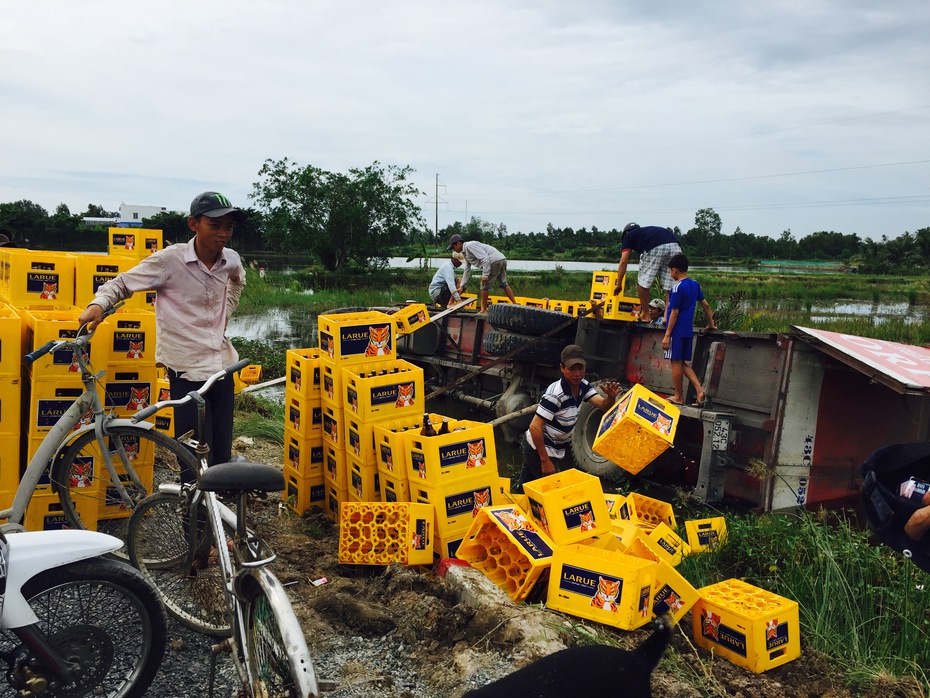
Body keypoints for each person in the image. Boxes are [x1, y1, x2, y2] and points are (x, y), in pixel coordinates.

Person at [78, 191, 247, 476]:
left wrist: (226, 312)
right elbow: (123, 283)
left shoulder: (230, 259)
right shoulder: (169, 261)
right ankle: (193, 515)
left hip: (221, 365)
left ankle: (218, 509)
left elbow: (237, 281)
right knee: (192, 451)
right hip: (186, 370)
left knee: (221, 447)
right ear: (194, 224)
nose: (223, 234)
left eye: (228, 227)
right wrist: (98, 304)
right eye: (215, 225)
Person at [515, 345, 619, 491]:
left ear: (585, 367)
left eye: (580, 368)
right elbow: (534, 426)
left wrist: (610, 397)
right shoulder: (555, 395)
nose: (577, 374)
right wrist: (544, 460)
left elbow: (603, 405)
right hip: (538, 448)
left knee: (524, 489)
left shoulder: (583, 385)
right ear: (562, 368)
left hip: (554, 448)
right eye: (572, 369)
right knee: (554, 491)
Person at [661, 253, 715, 407]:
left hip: (676, 331)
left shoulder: (677, 287)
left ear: (675, 270)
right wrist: (711, 323)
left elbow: (674, 312)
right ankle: (699, 390)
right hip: (687, 330)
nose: (670, 274)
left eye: (670, 270)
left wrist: (667, 335)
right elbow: (705, 305)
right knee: (682, 362)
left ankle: (678, 396)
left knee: (675, 362)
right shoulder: (695, 284)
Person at [613, 223, 682, 322]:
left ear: (626, 233)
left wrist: (619, 284)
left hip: (655, 247)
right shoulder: (646, 232)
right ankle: (667, 317)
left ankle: (645, 315)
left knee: (643, 282)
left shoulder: (628, 236)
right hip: (675, 245)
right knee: (670, 287)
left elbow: (624, 261)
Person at [446, 233, 517, 312]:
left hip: (493, 260)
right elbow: (467, 268)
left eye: (453, 247)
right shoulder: (464, 252)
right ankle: (515, 304)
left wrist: (485, 275)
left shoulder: (469, 246)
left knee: (484, 285)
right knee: (503, 283)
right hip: (501, 259)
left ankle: (483, 310)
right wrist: (462, 285)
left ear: (459, 244)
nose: (454, 249)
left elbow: (485, 258)